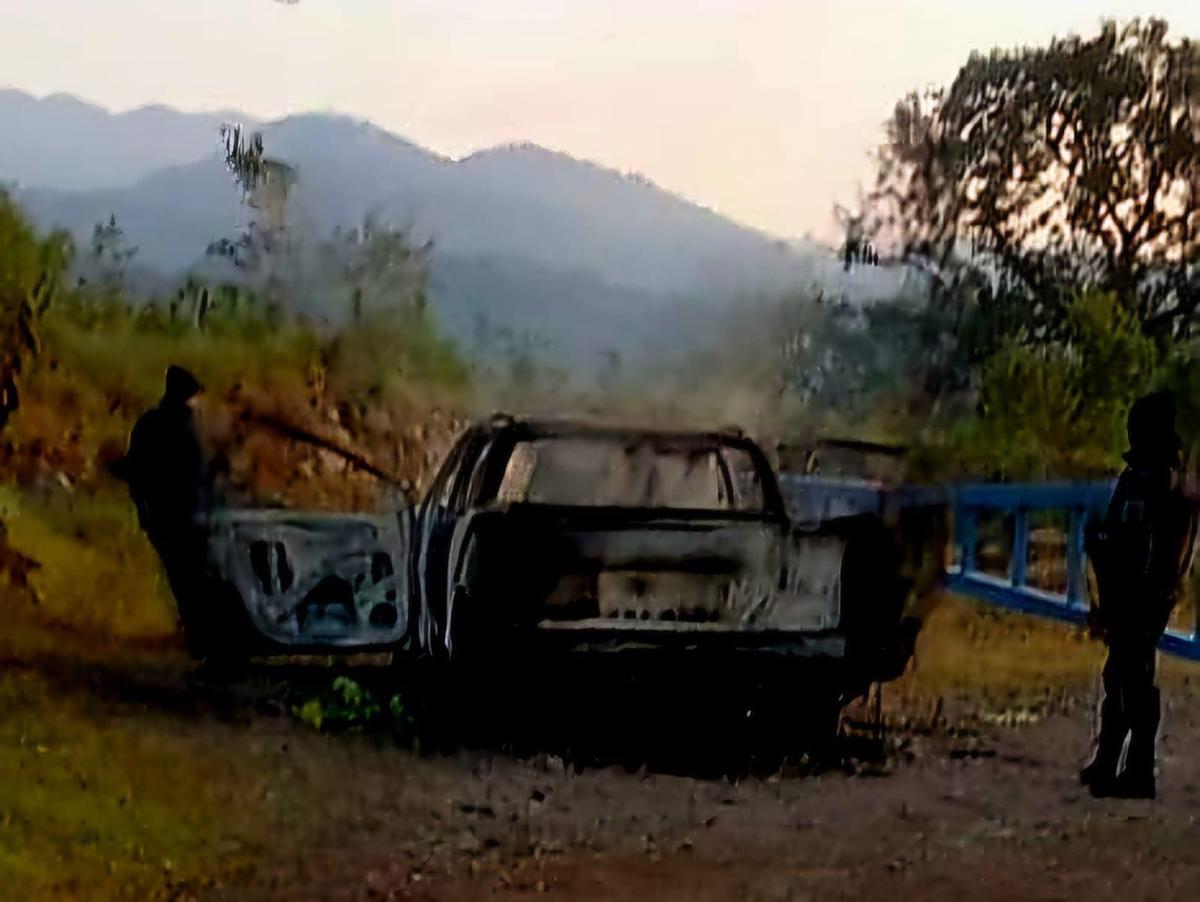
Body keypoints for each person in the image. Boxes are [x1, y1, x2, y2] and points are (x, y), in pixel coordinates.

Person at [1081, 390, 1197, 799]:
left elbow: (1139, 544)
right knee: (1126, 676)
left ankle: (1134, 769)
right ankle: (1113, 762)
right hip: (1141, 595)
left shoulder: (1153, 483)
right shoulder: (1164, 481)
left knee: (1131, 679)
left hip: (1138, 597)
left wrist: (1099, 541)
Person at [114, 365, 221, 659]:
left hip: (171, 519)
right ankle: (203, 642)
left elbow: (134, 472)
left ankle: (200, 640)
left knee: (186, 582)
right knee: (194, 581)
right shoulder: (187, 429)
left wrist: (143, 512)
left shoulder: (152, 425)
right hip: (184, 519)